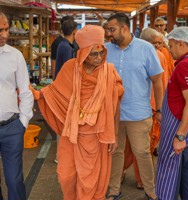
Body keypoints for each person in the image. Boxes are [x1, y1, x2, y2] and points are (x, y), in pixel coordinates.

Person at [31, 25, 124, 200]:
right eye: (93, 54)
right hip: (72, 134)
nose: (98, 58)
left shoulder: (109, 72)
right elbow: (54, 92)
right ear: (83, 54)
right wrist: (36, 95)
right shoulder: (70, 68)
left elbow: (115, 107)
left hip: (99, 136)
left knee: (93, 181)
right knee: (66, 175)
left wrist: (115, 135)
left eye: (101, 53)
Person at [105, 13, 163, 200]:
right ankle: (114, 191)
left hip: (139, 114)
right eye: (107, 30)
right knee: (115, 153)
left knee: (143, 153)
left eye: (112, 29)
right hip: (112, 115)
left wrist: (160, 109)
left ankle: (151, 191)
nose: (109, 33)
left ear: (124, 28)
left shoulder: (146, 48)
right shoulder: (105, 50)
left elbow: (157, 81)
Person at [156, 26, 188, 200]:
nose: (169, 50)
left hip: (182, 130)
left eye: (171, 45)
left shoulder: (186, 66)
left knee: (170, 169)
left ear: (181, 44)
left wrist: (180, 136)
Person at [0, 12, 34, 200]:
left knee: (14, 180)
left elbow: (25, 90)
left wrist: (24, 121)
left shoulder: (15, 56)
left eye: (6, 29)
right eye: (0, 30)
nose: (4, 34)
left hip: (12, 127)